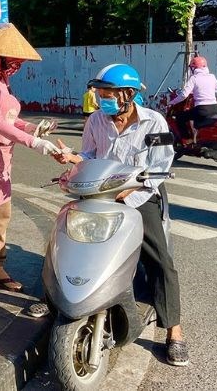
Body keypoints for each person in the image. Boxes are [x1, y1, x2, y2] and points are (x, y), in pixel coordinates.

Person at [55, 63, 189, 367]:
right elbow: (89, 156)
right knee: (66, 237)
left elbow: (160, 167)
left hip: (139, 197)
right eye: (100, 92)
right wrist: (72, 157)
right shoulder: (95, 121)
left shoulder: (153, 122)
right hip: (100, 196)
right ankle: (53, 300)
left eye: (108, 93)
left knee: (160, 261)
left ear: (128, 94)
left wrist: (130, 193)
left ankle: (174, 331)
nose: (102, 98)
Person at [0, 24, 61, 301]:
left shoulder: (2, 81)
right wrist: (34, 143)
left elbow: (8, 120)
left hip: (2, 157)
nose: (17, 65)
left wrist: (32, 128)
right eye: (12, 60)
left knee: (2, 216)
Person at [168, 55, 217, 144]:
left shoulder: (194, 78)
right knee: (192, 114)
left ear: (194, 68)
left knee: (180, 117)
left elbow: (184, 95)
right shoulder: (212, 76)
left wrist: (172, 102)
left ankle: (187, 139)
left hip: (202, 109)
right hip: (215, 107)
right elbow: (216, 89)